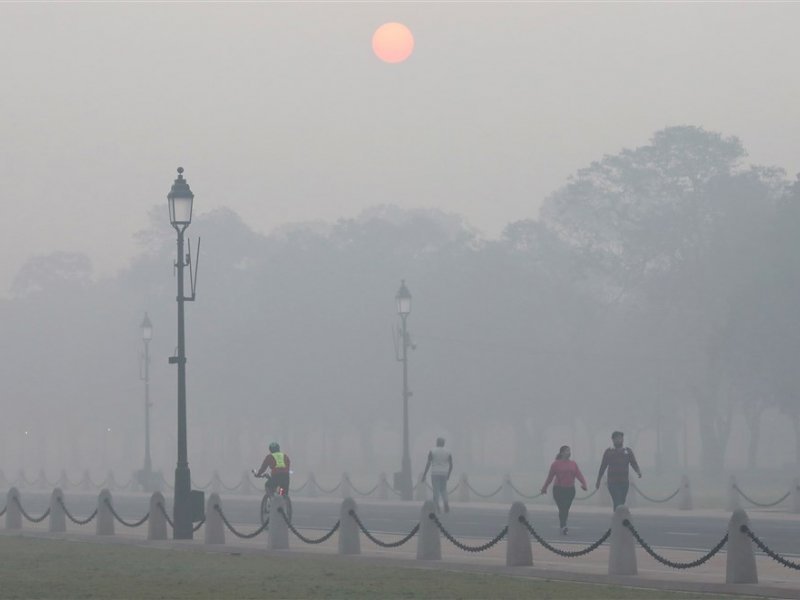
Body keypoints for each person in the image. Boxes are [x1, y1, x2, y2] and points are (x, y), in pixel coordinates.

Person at [540, 445, 587, 535]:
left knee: (566, 508)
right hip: (558, 489)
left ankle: (563, 524)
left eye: (569, 451)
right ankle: (563, 525)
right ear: (561, 453)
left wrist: (584, 484)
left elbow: (579, 474)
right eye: (566, 451)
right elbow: (550, 477)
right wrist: (544, 488)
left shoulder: (573, 464)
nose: (569, 452)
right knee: (562, 508)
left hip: (570, 490)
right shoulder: (555, 464)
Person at [595, 431, 641, 510]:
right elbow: (603, 466)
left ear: (623, 439)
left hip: (624, 482)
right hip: (612, 482)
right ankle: (619, 518)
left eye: (620, 438)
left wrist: (638, 471)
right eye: (617, 438)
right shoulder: (609, 452)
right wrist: (598, 480)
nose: (619, 440)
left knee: (621, 502)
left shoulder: (627, 451)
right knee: (617, 502)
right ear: (613, 440)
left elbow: (633, 463)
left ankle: (617, 517)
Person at [421, 437, 453, 513]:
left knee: (436, 490)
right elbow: (451, 465)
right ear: (443, 443)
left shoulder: (432, 451)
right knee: (443, 489)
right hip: (444, 473)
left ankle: (437, 505)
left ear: (437, 443)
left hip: (435, 472)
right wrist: (448, 474)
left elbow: (428, 463)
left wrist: (424, 474)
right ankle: (446, 503)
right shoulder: (448, 452)